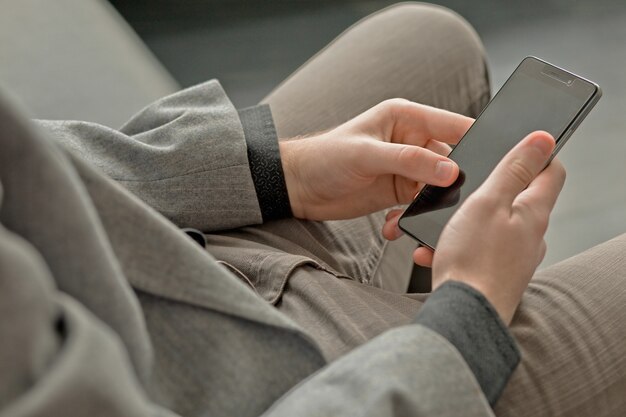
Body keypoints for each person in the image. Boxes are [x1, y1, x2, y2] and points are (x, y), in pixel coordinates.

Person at [0, 3, 623, 417]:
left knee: (428, 42)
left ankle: (414, 305)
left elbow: (28, 164)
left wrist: (279, 172)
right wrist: (469, 320)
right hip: (290, 390)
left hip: (171, 254)